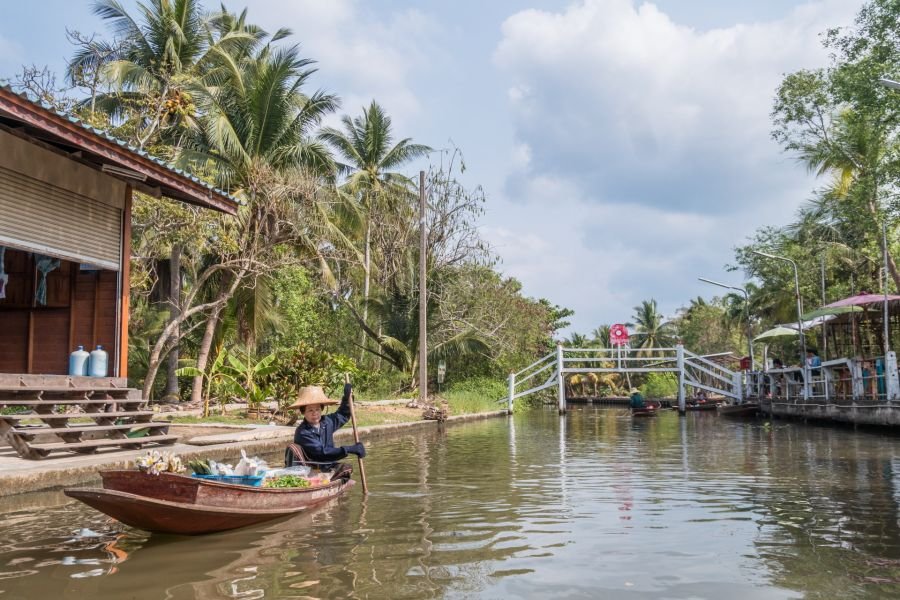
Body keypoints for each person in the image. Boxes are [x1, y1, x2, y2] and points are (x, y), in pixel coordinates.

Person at [286, 384, 366, 471]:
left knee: (346, 469)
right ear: (303, 412)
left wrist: (347, 398)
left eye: (317, 409)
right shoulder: (302, 432)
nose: (315, 413)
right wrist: (349, 449)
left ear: (321, 409)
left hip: (329, 465)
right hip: (312, 469)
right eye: (310, 410)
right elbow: (322, 452)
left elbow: (342, 415)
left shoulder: (327, 422)